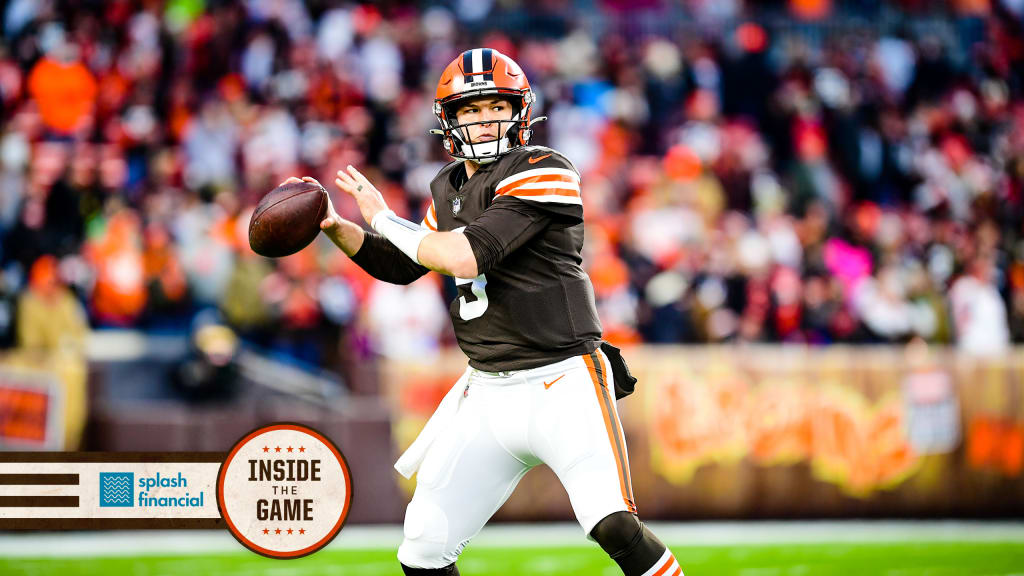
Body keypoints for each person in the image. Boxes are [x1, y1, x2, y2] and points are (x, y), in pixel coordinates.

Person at [286, 48, 682, 576]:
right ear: (448, 121)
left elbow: (465, 254)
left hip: (562, 381)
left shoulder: (545, 169)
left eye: (495, 106)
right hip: (488, 390)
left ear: (520, 112)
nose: (484, 118)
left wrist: (383, 218)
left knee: (611, 522)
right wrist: (338, 226)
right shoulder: (448, 188)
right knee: (424, 546)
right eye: (470, 109)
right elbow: (404, 265)